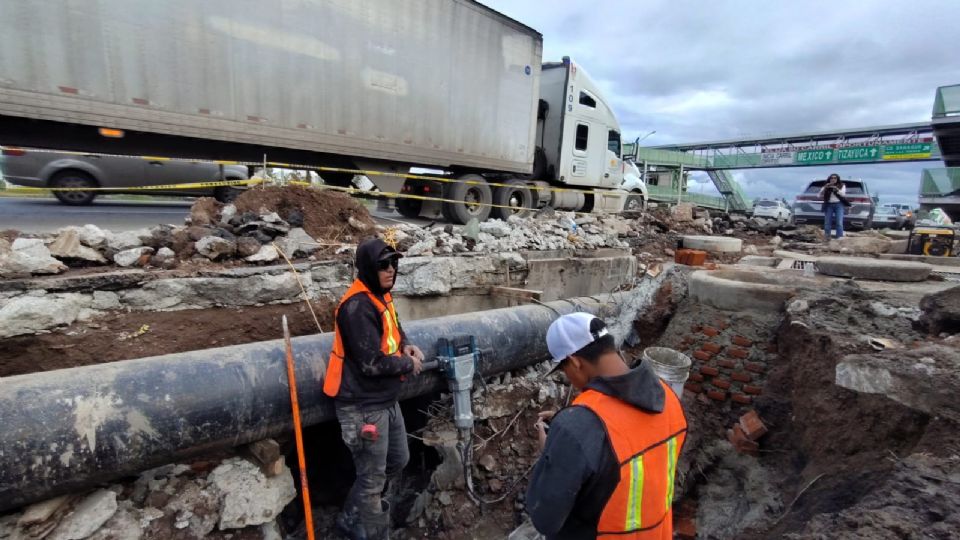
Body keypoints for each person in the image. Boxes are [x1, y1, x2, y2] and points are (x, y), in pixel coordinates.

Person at [526, 313, 687, 539]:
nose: (569, 378)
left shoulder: (577, 427)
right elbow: (631, 436)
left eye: (565, 370)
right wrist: (572, 424)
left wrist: (551, 453)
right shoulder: (668, 398)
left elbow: (546, 519)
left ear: (575, 362)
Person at [324, 238, 424, 540]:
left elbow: (394, 328)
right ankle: (368, 532)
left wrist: (406, 346)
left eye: (394, 263)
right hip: (362, 407)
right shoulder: (356, 307)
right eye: (384, 264)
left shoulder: (381, 297)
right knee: (371, 480)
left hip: (385, 400)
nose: (391, 269)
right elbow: (371, 363)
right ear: (368, 268)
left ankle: (351, 520)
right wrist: (409, 366)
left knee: (398, 461)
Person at [819, 173, 848, 239]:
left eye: (835, 178)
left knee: (839, 222)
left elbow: (843, 194)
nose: (833, 179)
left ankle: (839, 237)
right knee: (827, 222)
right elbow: (818, 195)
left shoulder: (842, 185)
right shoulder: (826, 186)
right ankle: (827, 236)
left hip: (839, 204)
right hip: (829, 204)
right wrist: (825, 188)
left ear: (837, 179)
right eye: (831, 178)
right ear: (829, 179)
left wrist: (836, 188)